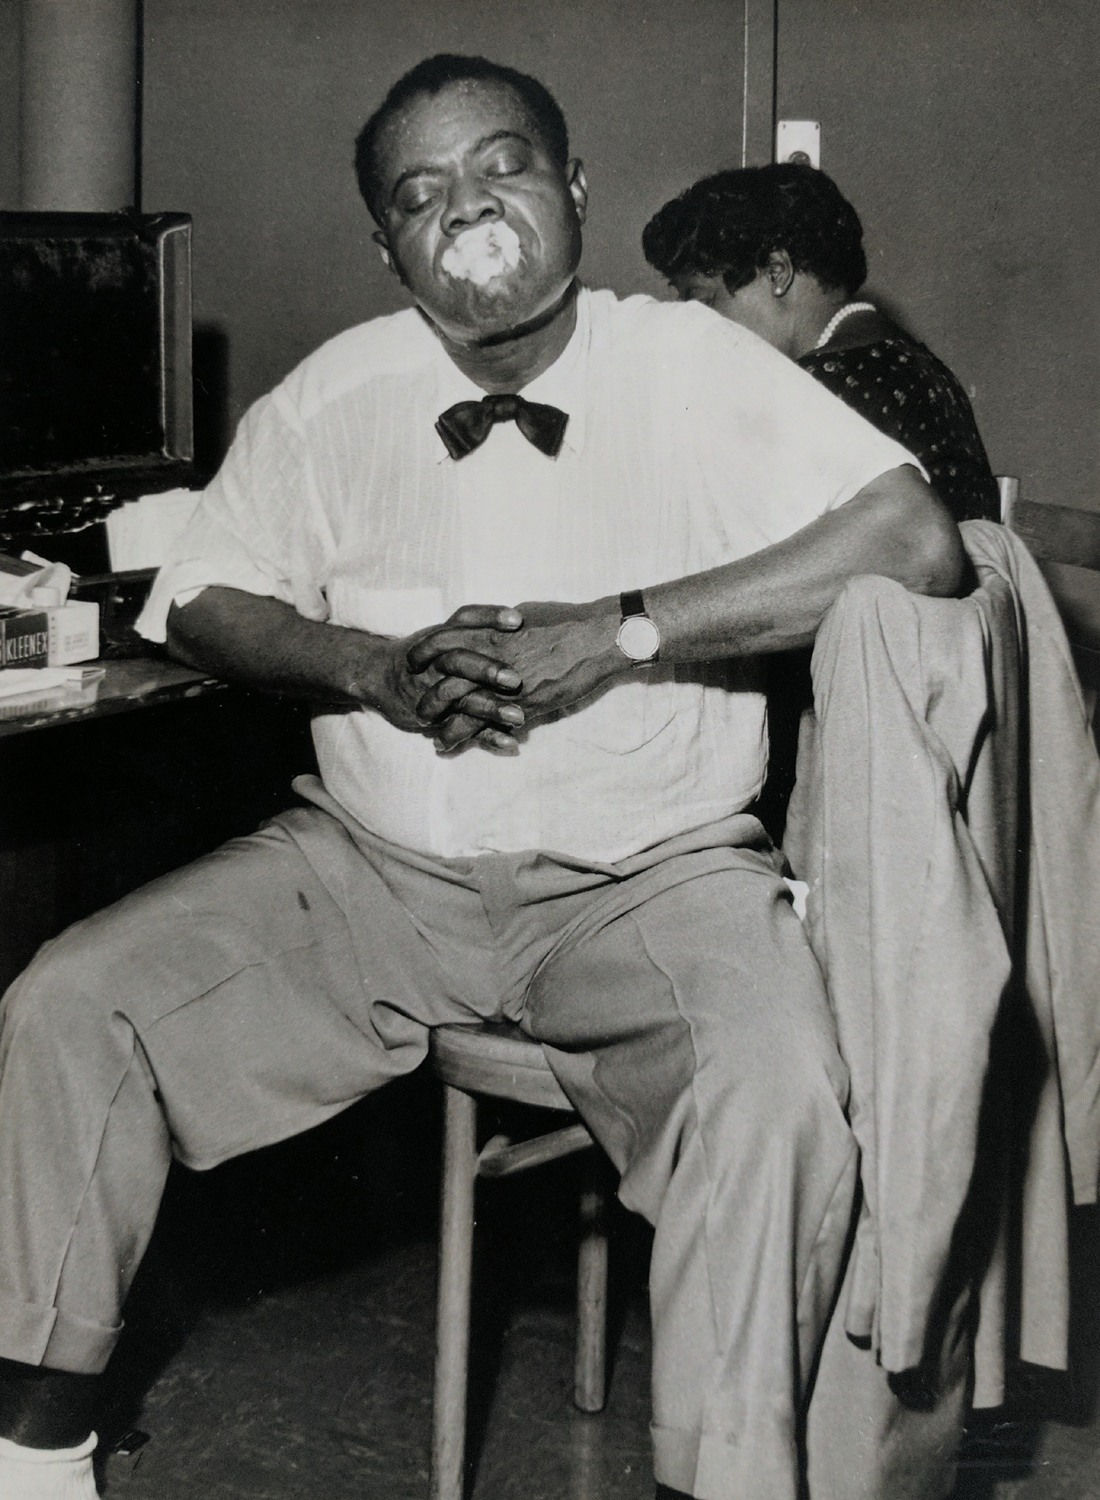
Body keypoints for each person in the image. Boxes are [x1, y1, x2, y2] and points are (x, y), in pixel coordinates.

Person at [0, 54, 966, 1500]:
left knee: (780, 1092)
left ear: (573, 189)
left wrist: (627, 634)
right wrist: (366, 665)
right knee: (68, 1004)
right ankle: (36, 1454)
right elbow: (196, 594)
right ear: (383, 244)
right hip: (369, 879)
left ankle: (727, 1480)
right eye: (422, 193)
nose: (470, 210)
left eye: (503, 167)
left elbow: (916, 542)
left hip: (650, 888)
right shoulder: (332, 395)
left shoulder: (700, 366)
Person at [642, 162, 1000, 524]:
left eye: (703, 301)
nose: (691, 325)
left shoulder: (823, 387)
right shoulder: (908, 360)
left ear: (777, 273)